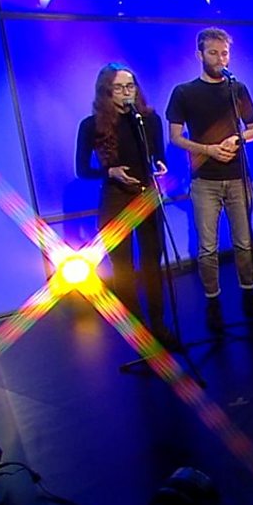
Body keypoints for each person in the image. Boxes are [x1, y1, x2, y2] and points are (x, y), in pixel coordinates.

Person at [166, 27, 253, 330]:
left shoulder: (237, 88)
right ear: (199, 54)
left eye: (224, 53)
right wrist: (208, 149)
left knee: (244, 241)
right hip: (205, 181)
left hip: (237, 176)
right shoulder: (184, 92)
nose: (220, 58)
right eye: (213, 53)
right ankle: (213, 303)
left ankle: (250, 295)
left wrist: (237, 140)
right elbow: (175, 138)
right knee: (208, 247)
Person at [75, 63, 177, 348]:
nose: (125, 93)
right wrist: (110, 171)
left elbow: (159, 156)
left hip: (146, 196)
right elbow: (82, 169)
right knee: (123, 267)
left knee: (152, 263)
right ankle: (137, 331)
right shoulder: (91, 125)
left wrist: (161, 166)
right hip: (115, 199)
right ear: (106, 92)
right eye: (118, 88)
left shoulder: (148, 120)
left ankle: (159, 325)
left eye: (129, 87)